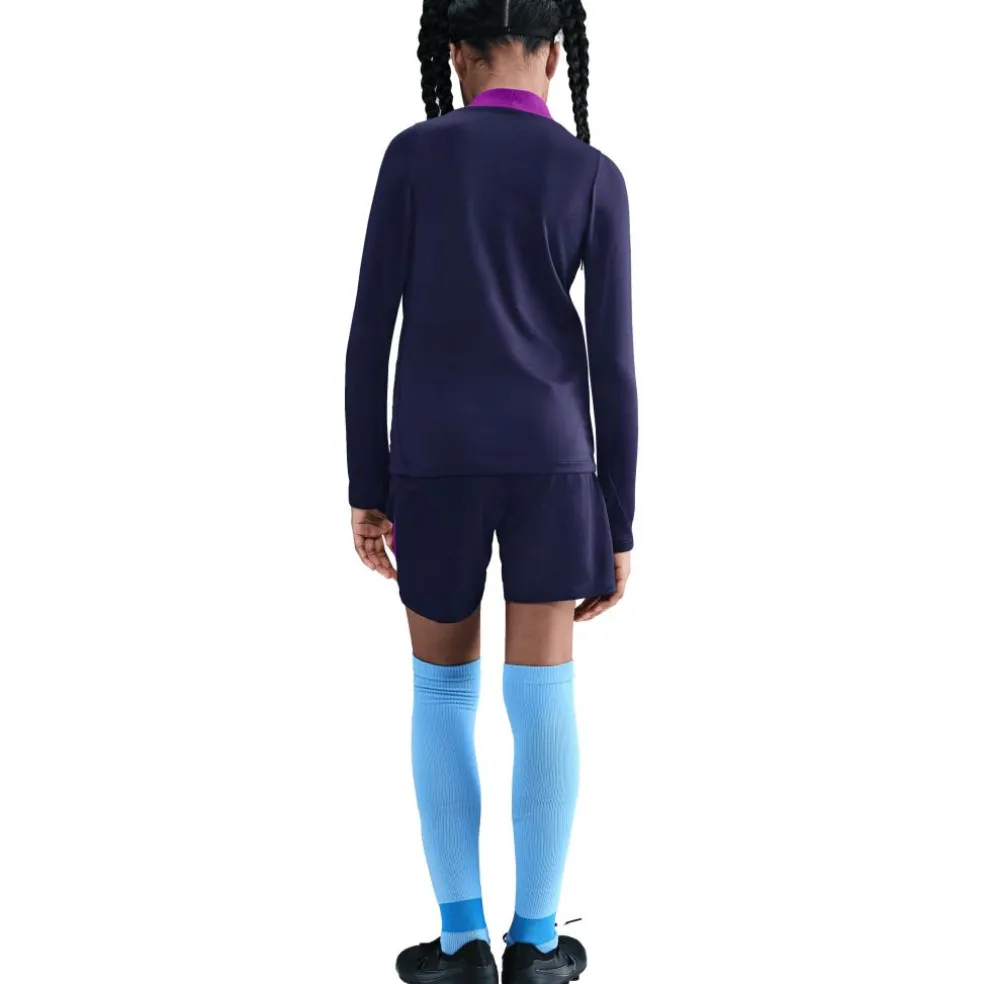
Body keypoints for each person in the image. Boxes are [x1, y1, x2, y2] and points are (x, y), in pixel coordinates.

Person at [345, 1, 636, 981]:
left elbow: (369, 335)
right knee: (543, 692)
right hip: (554, 466)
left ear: (456, 53)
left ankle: (462, 942)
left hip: (434, 462)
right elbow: (615, 364)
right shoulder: (592, 174)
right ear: (554, 56)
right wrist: (619, 517)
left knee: (442, 688)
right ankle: (539, 945)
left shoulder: (413, 157)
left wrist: (367, 483)